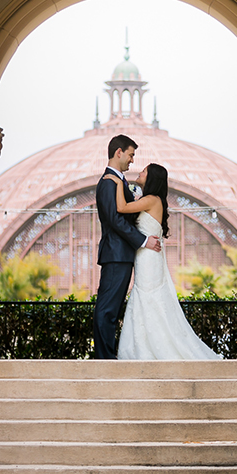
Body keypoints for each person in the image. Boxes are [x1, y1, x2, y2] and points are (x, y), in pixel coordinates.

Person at [111, 162, 222, 360]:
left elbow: (121, 207)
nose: (140, 171)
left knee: (148, 296)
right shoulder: (152, 200)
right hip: (148, 255)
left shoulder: (152, 200)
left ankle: (149, 349)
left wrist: (119, 181)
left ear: (151, 178)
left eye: (144, 171)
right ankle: (146, 347)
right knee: (147, 297)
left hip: (148, 258)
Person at [92, 134, 161, 359]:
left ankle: (108, 356)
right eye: (131, 154)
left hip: (122, 254)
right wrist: (143, 240)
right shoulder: (108, 182)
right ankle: (104, 359)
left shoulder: (119, 181)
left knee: (112, 309)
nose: (132, 160)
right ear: (118, 152)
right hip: (116, 254)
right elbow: (114, 219)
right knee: (107, 309)